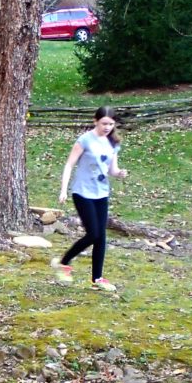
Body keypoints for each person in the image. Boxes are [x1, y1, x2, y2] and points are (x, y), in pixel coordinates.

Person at [53, 105, 128, 292]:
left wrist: (119, 173)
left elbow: (111, 169)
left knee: (101, 237)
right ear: (95, 121)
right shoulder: (85, 140)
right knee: (93, 233)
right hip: (82, 192)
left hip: (101, 193)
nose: (107, 127)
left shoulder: (113, 143)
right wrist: (63, 190)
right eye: (104, 123)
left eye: (111, 124)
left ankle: (97, 278)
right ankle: (63, 262)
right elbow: (69, 165)